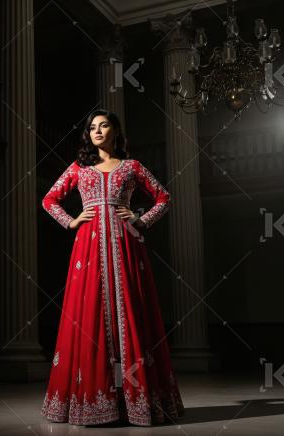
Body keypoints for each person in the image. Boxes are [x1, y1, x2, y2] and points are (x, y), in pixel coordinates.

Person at [40, 109, 184, 426]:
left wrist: (140, 219)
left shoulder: (132, 167)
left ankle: (131, 402)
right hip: (88, 248)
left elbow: (164, 198)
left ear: (115, 131)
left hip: (125, 244)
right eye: (92, 127)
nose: (97, 131)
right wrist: (71, 221)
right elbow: (49, 200)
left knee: (130, 313)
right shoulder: (79, 168)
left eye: (104, 126)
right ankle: (96, 400)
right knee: (89, 315)